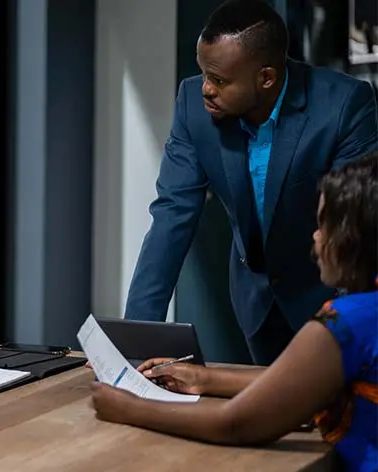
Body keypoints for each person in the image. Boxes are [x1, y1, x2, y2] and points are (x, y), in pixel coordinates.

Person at [124, 0, 378, 365]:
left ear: (267, 77)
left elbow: (353, 226)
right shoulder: (193, 107)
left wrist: (346, 323)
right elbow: (171, 216)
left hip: (326, 293)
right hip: (256, 302)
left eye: (220, 80)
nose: (206, 89)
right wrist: (138, 340)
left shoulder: (343, 105)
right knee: (270, 416)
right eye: (204, 74)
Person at [92, 153, 378, 472]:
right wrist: (204, 378)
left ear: (354, 238)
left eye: (324, 224)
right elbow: (295, 381)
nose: (315, 236)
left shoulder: (345, 322)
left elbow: (238, 423)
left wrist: (130, 408)